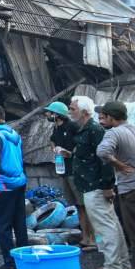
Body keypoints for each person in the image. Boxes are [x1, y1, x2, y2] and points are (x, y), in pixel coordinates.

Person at [67, 96, 131, 269]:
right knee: (112, 224)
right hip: (91, 185)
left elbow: (105, 160)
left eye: (72, 109)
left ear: (84, 112)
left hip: (95, 185)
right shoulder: (86, 130)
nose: (70, 112)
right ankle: (123, 263)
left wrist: (106, 186)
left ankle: (113, 267)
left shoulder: (94, 130)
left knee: (105, 227)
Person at [97, 100, 135, 269]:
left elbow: (102, 151)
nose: (102, 119)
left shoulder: (114, 133)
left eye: (104, 116)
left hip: (131, 190)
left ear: (111, 117)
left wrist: (118, 164)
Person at [0, 104, 28, 269]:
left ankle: (10, 263)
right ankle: (24, 259)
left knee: (1, 224)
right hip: (19, 182)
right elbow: (21, 158)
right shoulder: (14, 133)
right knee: (19, 222)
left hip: (3, 185)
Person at [47, 100, 95, 248]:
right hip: (65, 171)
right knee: (78, 206)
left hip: (77, 172)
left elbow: (83, 145)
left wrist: (70, 152)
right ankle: (85, 237)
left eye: (50, 112)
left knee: (85, 205)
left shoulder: (73, 126)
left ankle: (93, 239)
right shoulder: (56, 129)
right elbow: (53, 142)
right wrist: (54, 148)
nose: (47, 115)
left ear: (57, 114)